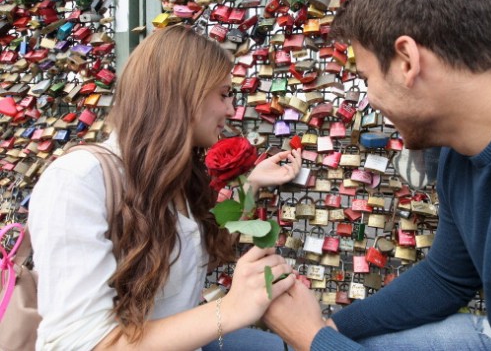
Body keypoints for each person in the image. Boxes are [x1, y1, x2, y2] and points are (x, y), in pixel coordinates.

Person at [263, 0, 491, 350]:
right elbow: (446, 277)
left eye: (367, 79)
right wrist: (333, 329)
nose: (371, 99)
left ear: (406, 61)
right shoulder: (461, 143)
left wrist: (309, 339)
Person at [28, 25, 302, 350]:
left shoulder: (177, 178)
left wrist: (253, 182)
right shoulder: (78, 181)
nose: (231, 110)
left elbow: (191, 251)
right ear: (185, 92)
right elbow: (82, 344)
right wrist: (230, 308)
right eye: (224, 94)